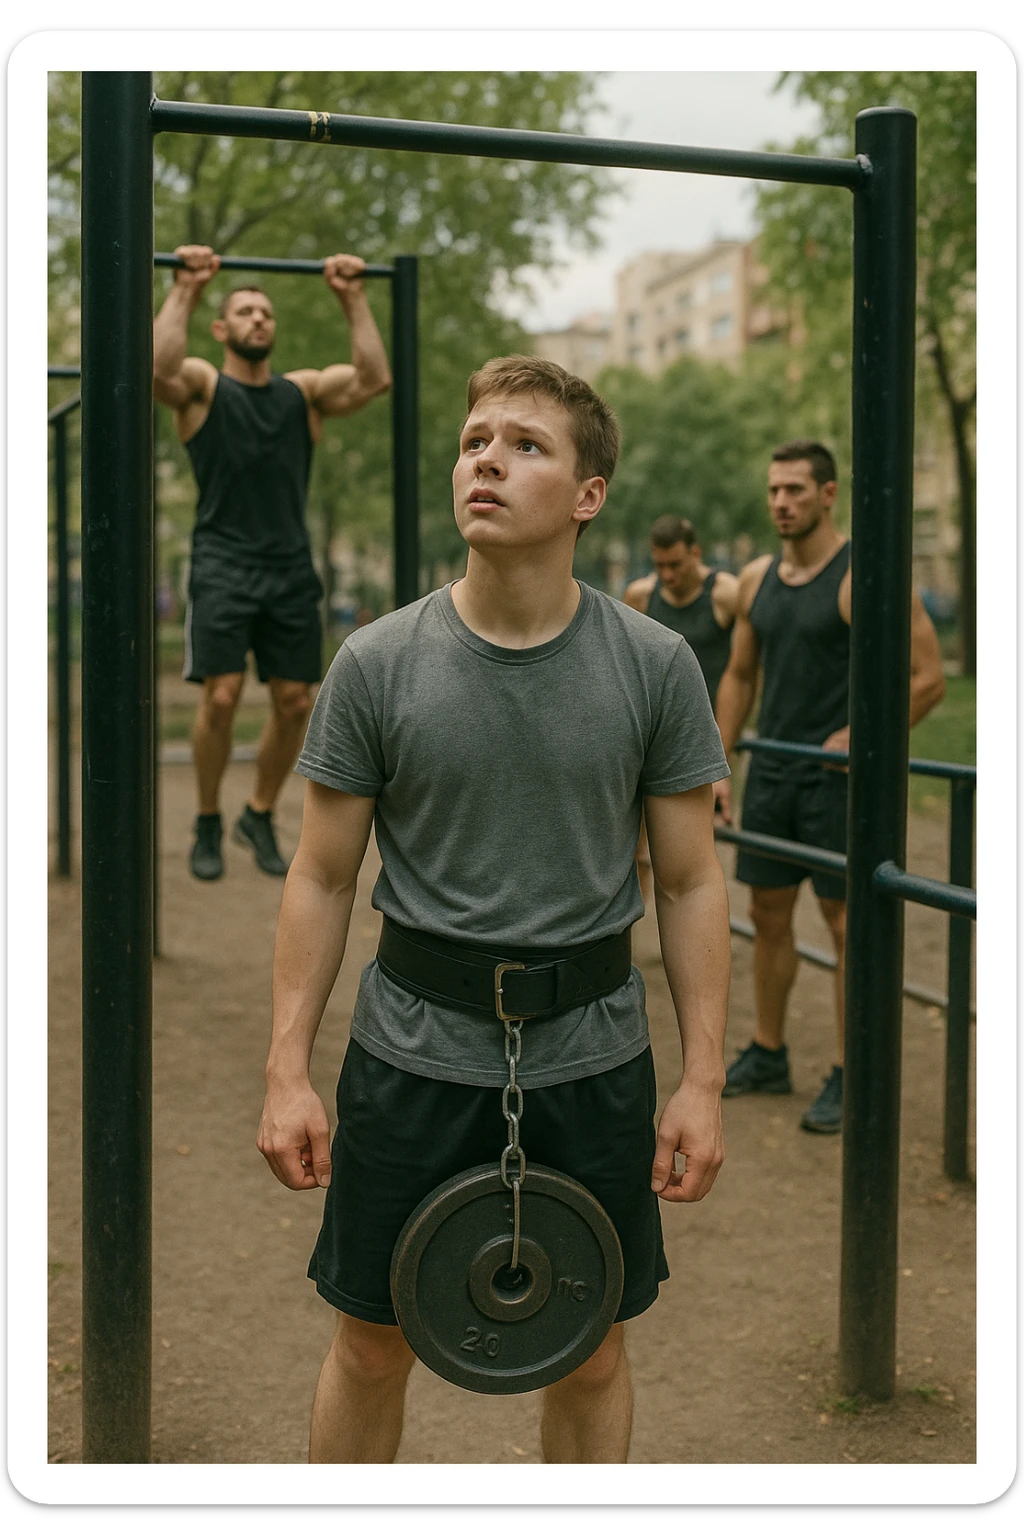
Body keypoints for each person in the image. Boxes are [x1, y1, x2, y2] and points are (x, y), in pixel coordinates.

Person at [256, 356, 732, 1464]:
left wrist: (702, 1082)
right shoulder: (375, 662)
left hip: (593, 1058)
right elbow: (321, 876)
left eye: (526, 445)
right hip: (410, 1055)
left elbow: (689, 880)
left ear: (587, 495)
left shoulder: (656, 666)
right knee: (371, 1344)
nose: (487, 460)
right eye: (476, 440)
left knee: (590, 1348)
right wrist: (285, 1071)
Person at [713, 439, 946, 1133]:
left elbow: (928, 680)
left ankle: (853, 1072)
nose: (781, 502)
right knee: (768, 915)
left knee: (847, 926)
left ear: (828, 494)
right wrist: (718, 763)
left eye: (795, 490)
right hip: (772, 772)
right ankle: (769, 1051)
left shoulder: (863, 575)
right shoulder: (756, 579)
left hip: (836, 782)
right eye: (773, 490)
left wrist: (863, 735)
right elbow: (740, 676)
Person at [153, 245, 392, 882]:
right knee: (222, 696)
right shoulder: (203, 386)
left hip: (288, 565)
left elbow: (372, 379)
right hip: (222, 562)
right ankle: (208, 817)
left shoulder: (301, 393)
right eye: (245, 311)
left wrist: (352, 297)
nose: (260, 318)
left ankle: (257, 813)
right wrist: (186, 288)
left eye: (266, 312)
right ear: (221, 328)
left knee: (293, 702)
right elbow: (154, 369)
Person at [624, 515, 739, 900]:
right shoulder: (641, 596)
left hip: (701, 739)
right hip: (650, 735)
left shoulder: (726, 594)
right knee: (633, 851)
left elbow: (745, 670)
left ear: (696, 553)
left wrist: (724, 754)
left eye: (675, 564)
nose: (668, 575)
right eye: (660, 565)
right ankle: (636, 931)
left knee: (691, 854)